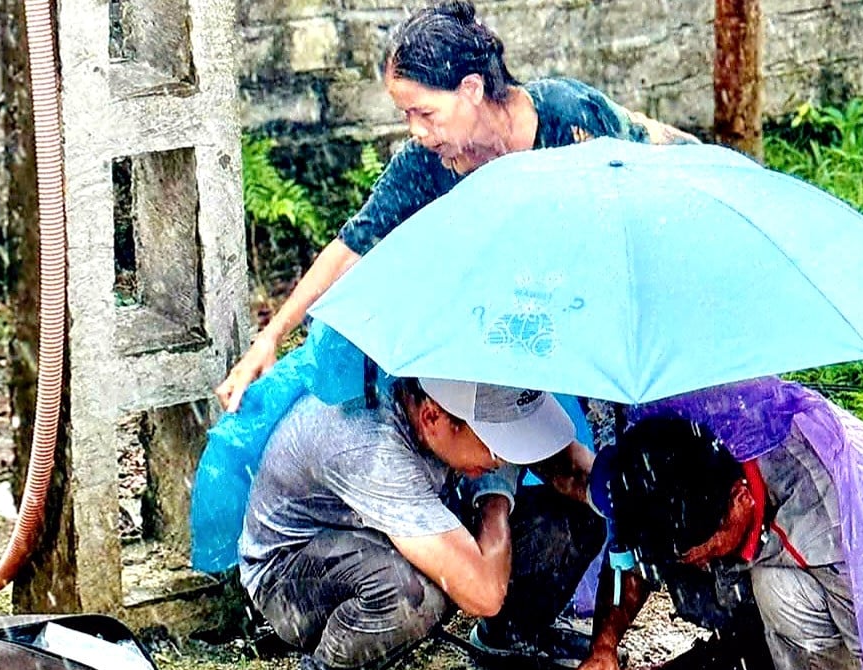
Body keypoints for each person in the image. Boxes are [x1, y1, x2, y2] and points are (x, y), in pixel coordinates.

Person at [215, 0, 698, 413]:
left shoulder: (567, 118)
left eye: (424, 112)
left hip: (661, 219)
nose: (416, 130)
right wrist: (272, 336)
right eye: (407, 115)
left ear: (470, 89)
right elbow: (352, 244)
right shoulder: (430, 162)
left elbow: (638, 199)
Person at [575, 378, 863, 670]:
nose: (694, 558)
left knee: (775, 587)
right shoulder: (666, 449)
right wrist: (605, 645)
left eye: (702, 545)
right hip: (793, 558)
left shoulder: (834, 526)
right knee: (747, 589)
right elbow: (632, 559)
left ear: (740, 497)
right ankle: (750, 649)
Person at [239, 377, 603, 670]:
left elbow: (578, 473)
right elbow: (483, 594)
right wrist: (495, 499)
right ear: (432, 417)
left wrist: (625, 494)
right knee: (416, 592)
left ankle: (508, 638)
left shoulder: (448, 397)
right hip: (291, 575)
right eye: (498, 444)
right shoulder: (369, 444)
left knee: (579, 513)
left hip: (387, 533)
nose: (504, 458)